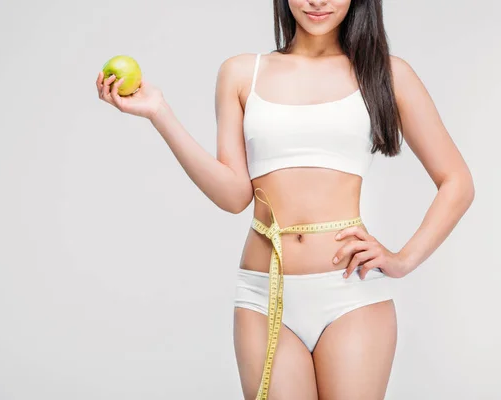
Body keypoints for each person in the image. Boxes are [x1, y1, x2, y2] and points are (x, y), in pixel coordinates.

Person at [95, 0, 475, 398]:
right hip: (263, 294)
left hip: (351, 295)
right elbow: (234, 195)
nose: (317, 1)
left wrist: (401, 260)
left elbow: (457, 181)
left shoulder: (387, 74)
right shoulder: (242, 73)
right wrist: (160, 113)